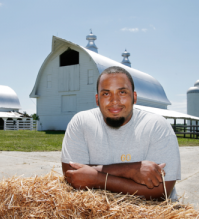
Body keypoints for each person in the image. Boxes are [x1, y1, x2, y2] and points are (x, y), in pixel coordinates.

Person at [61, 66, 181, 201]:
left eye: (122, 92)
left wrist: (98, 179)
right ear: (97, 99)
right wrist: (130, 170)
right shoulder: (81, 122)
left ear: (134, 97)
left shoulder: (157, 126)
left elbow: (161, 192)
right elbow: (73, 177)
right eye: (106, 94)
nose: (114, 101)